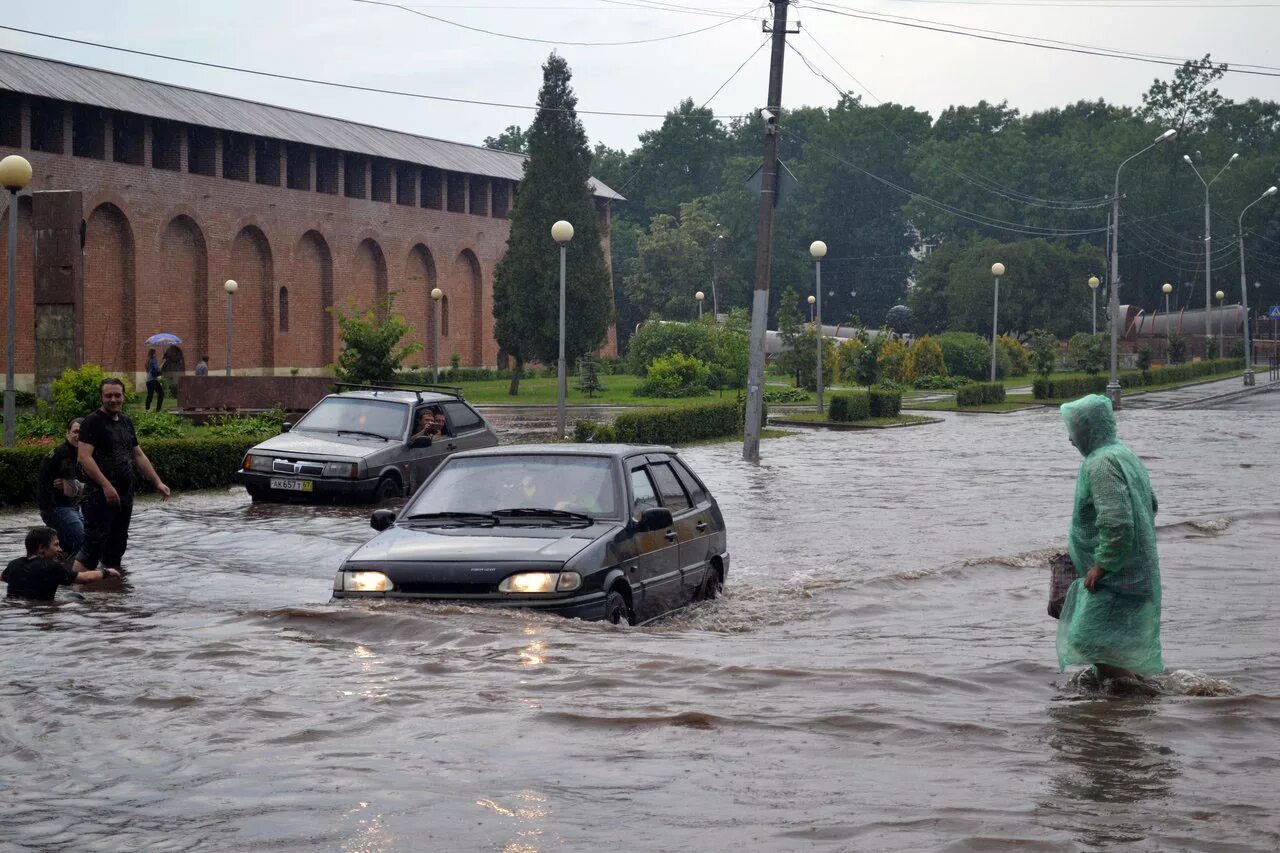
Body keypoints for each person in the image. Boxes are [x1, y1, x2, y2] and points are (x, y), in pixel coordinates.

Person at [1056, 394, 1163, 683]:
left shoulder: (1101, 464)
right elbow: (1150, 504)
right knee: (1116, 652)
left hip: (1113, 579)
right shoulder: (1123, 454)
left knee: (1088, 642)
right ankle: (1136, 707)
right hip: (1135, 572)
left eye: (1074, 430)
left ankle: (1149, 698)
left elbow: (1117, 521)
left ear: (1089, 429)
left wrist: (1102, 565)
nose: (1070, 438)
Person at [73, 378, 171, 578]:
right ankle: (74, 590)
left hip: (124, 495)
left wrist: (157, 481)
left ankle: (112, 594)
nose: (113, 399)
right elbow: (84, 457)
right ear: (101, 397)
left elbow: (138, 454)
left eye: (117, 395)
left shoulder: (126, 422)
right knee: (93, 545)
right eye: (108, 395)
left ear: (124, 396)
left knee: (117, 544)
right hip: (98, 495)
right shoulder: (93, 422)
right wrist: (106, 486)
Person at [3, 527, 118, 600]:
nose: (60, 549)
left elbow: (3, 578)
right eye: (56, 545)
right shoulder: (51, 567)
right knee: (75, 596)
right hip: (41, 611)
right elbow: (84, 578)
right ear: (41, 548)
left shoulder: (13, 564)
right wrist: (107, 572)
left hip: (16, 609)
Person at [37, 417, 86, 558]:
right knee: (83, 542)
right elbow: (70, 490)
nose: (79, 435)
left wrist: (76, 485)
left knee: (86, 542)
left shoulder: (80, 452)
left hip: (71, 506)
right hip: (55, 507)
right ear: (68, 433)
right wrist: (78, 486)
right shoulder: (63, 455)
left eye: (82, 432)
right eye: (76, 431)